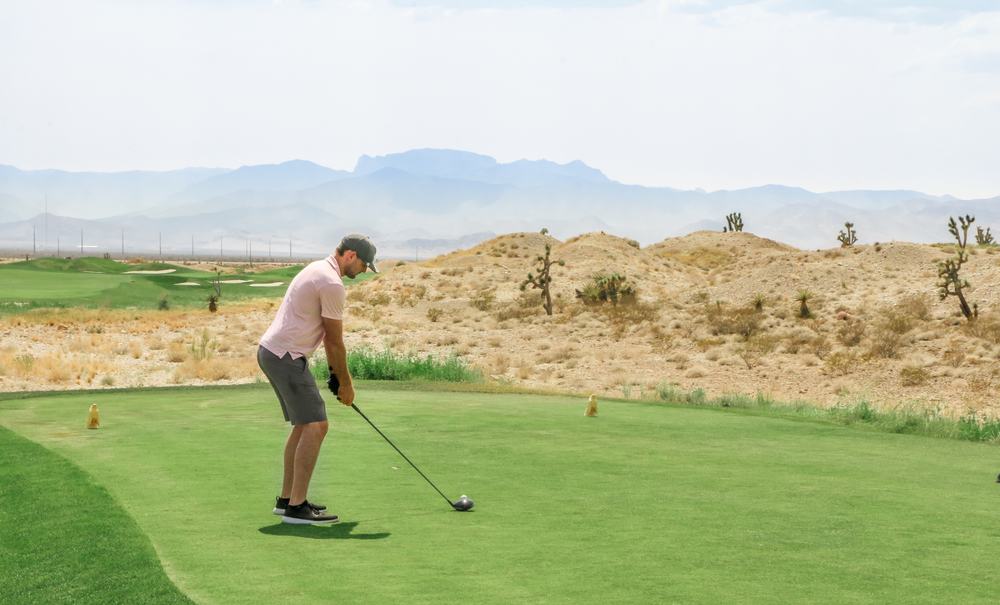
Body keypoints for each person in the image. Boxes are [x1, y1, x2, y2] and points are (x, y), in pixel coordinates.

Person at [257, 234, 378, 524]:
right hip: (285, 356)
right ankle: (297, 508)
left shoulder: (317, 269)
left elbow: (326, 339)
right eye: (363, 264)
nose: (363, 271)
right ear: (350, 255)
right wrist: (346, 384)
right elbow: (334, 342)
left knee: (303, 426)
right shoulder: (331, 283)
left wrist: (337, 376)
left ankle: (288, 500)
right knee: (317, 425)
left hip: (275, 353)